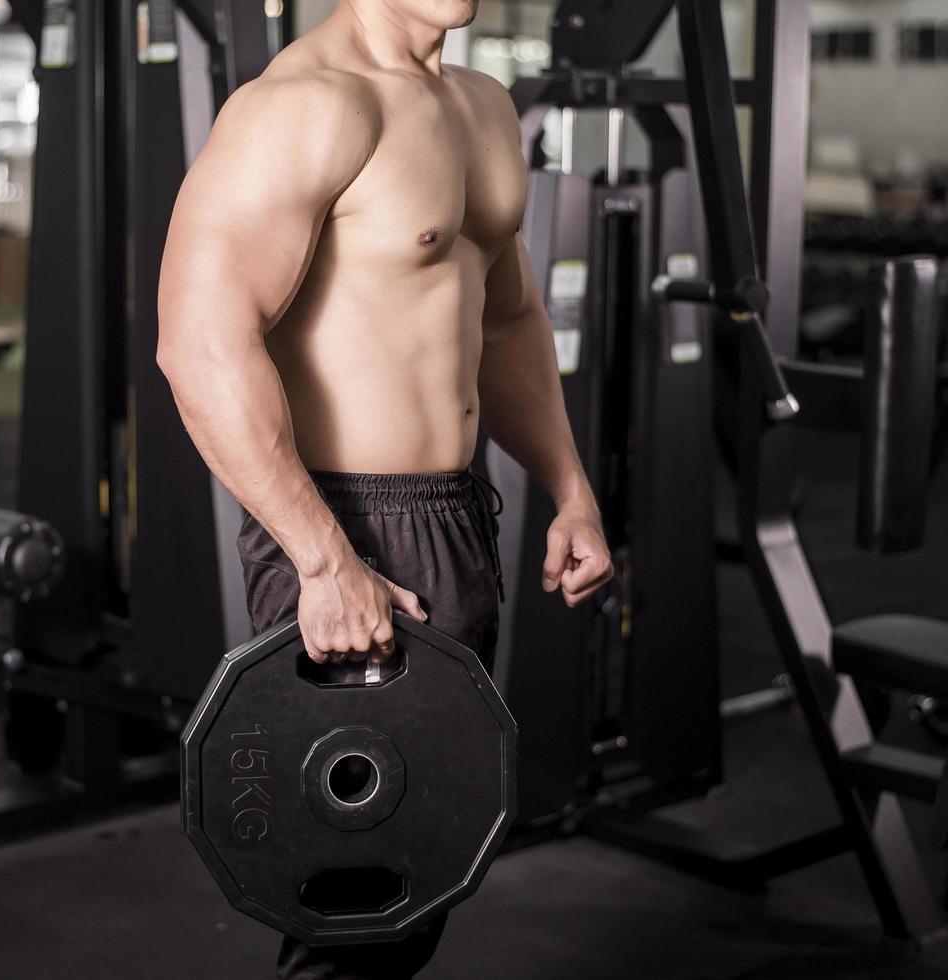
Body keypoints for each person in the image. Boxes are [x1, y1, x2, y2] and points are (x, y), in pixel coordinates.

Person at [157, 0, 613, 975]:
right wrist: (323, 559)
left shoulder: (482, 109)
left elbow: (507, 320)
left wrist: (569, 484)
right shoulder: (301, 107)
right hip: (343, 530)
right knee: (349, 883)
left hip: (458, 515)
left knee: (423, 867)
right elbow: (199, 344)